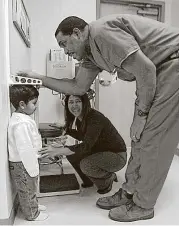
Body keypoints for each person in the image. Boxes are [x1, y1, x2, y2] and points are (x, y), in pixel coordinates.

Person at [19, 14, 179, 222]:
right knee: (138, 138)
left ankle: (143, 204)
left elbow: (145, 69)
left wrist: (141, 115)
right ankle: (129, 192)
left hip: (171, 64)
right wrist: (39, 79)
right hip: (157, 71)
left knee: (152, 140)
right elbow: (77, 87)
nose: (66, 51)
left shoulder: (101, 33)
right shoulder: (91, 55)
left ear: (77, 33)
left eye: (65, 44)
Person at [39, 93, 127, 194]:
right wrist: (64, 128)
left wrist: (59, 151)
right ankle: (88, 180)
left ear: (85, 103)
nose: (74, 105)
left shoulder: (95, 118)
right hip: (101, 152)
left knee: (86, 165)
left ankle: (108, 178)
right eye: (71, 102)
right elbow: (83, 136)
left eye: (78, 101)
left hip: (116, 156)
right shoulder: (81, 118)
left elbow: (86, 146)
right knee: (72, 155)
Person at [8, 85, 49, 221]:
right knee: (27, 189)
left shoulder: (22, 119)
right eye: (34, 103)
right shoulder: (21, 124)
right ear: (22, 104)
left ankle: (33, 206)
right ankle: (32, 214)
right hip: (23, 163)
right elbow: (24, 148)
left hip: (25, 161)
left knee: (30, 187)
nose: (36, 106)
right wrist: (32, 168)